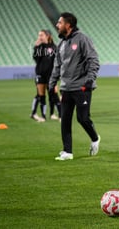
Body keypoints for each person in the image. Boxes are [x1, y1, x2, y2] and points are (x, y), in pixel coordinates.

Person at [49, 12, 100, 161]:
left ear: (68, 25)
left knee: (82, 118)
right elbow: (57, 66)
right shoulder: (61, 44)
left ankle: (95, 138)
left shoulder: (82, 39)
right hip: (66, 88)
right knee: (65, 119)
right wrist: (52, 84)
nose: (57, 25)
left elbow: (93, 59)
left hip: (82, 87)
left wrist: (90, 80)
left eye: (60, 23)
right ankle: (67, 152)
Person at [31, 30, 61, 122]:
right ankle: (43, 116)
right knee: (41, 95)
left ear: (47, 36)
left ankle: (60, 115)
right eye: (39, 35)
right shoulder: (39, 47)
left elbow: (58, 61)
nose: (39, 37)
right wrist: (36, 47)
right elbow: (36, 59)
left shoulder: (54, 47)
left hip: (51, 75)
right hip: (40, 74)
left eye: (41, 35)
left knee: (54, 94)